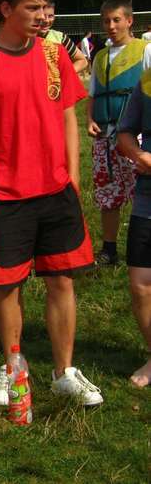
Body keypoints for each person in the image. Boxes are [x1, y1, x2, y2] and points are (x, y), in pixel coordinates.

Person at [0, 0, 103, 407]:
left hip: (56, 192)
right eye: (32, 7)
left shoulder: (54, 55)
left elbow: (68, 117)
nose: (43, 15)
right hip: (8, 198)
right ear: (6, 10)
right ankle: (13, 368)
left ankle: (64, 372)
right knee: (9, 287)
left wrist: (72, 176)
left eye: (45, 6)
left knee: (61, 281)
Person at [86, 0, 151, 265]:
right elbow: (93, 93)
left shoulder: (145, 51)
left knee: (142, 190)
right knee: (107, 192)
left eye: (116, 20)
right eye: (106, 21)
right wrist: (89, 119)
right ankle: (109, 249)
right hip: (105, 136)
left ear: (129, 21)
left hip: (135, 137)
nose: (111, 26)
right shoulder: (100, 57)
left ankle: (143, 246)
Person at [117, 69, 151, 387]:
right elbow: (125, 132)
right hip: (146, 201)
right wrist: (139, 154)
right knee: (141, 284)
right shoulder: (148, 80)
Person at [39, 2, 88, 73]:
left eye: (50, 16)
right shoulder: (25, 38)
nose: (46, 20)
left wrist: (64, 75)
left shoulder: (60, 38)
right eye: (43, 15)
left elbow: (82, 61)